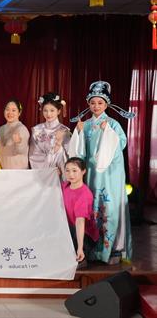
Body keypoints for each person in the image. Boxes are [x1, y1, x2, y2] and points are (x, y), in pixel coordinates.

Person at [69, 81, 134, 264]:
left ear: (106, 105)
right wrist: (79, 133)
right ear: (88, 104)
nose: (96, 106)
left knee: (109, 208)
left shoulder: (113, 124)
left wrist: (108, 133)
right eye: (92, 103)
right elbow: (78, 153)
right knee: (91, 207)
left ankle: (113, 249)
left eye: (100, 103)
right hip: (91, 173)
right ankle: (92, 249)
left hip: (110, 174)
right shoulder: (86, 124)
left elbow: (121, 144)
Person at [62, 157, 99, 267]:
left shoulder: (84, 194)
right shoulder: (65, 186)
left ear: (83, 171)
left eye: (74, 170)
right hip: (71, 228)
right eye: (67, 170)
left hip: (84, 234)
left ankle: (82, 256)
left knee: (71, 260)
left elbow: (80, 222)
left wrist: (80, 248)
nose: (70, 174)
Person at [29, 92, 71, 176]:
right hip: (42, 174)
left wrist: (59, 168)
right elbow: (34, 156)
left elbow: (69, 155)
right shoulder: (37, 130)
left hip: (60, 173)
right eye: (45, 110)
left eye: (52, 110)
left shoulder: (64, 131)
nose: (48, 114)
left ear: (58, 111)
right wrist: (50, 170)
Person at [0, 99, 30, 169]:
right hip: (3, 171)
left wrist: (19, 142)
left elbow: (21, 150)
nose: (10, 113)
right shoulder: (2, 128)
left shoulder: (22, 129)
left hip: (18, 171)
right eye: (7, 109)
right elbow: (1, 150)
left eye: (13, 110)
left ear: (19, 113)